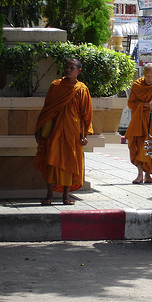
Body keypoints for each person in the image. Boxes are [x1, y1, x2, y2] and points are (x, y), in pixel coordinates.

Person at [34, 58, 93, 206]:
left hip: (73, 132)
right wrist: (41, 129)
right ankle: (49, 195)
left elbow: (86, 113)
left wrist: (85, 134)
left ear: (78, 71)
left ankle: (66, 196)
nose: (68, 70)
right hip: (55, 131)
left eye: (71, 68)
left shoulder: (82, 89)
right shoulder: (56, 86)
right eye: (66, 67)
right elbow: (47, 109)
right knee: (52, 162)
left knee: (70, 163)